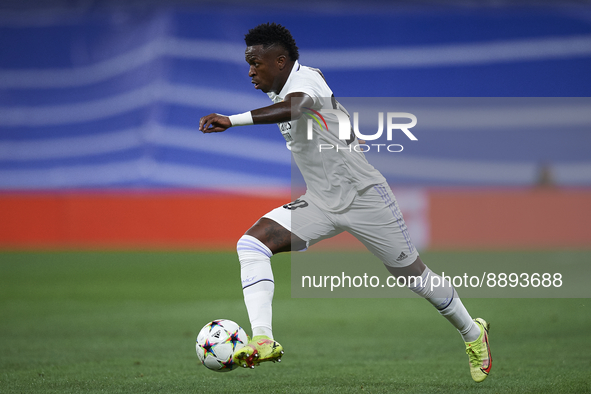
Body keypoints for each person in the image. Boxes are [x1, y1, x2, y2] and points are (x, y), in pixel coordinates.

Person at [199, 22, 492, 383]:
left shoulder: (306, 82)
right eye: (249, 63)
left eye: (256, 62)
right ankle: (263, 338)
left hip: (365, 196)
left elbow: (298, 107)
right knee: (252, 244)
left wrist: (231, 120)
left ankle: (472, 333)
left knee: (416, 278)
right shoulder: (283, 91)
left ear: (281, 60)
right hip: (320, 202)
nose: (250, 70)